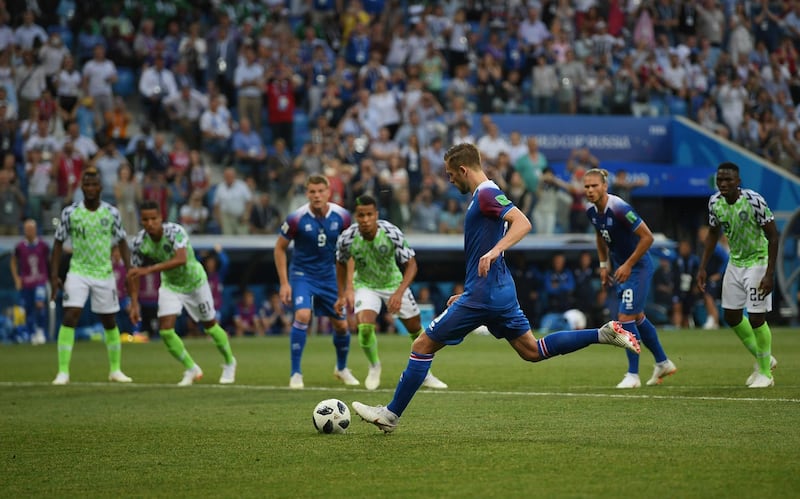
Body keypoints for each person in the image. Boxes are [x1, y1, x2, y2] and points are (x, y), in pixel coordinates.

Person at [352, 143, 640, 433]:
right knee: (532, 350)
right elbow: (484, 243)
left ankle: (390, 415)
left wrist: (494, 252)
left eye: (451, 174)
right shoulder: (485, 194)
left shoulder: (487, 193)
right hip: (496, 291)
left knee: (422, 345)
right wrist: (468, 289)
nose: (450, 180)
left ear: (464, 170)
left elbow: (522, 223)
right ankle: (602, 333)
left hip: (485, 294)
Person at [334, 194, 448, 391]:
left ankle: (425, 374)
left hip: (394, 284)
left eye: (370, 214)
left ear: (376, 214)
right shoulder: (347, 238)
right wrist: (343, 293)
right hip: (365, 285)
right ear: (356, 216)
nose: (366, 219)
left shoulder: (391, 232)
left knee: (415, 328)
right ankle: (374, 366)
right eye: (361, 215)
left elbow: (411, 265)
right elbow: (340, 263)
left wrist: (398, 293)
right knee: (365, 326)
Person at [584, 168, 677, 389]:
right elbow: (600, 236)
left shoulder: (620, 208)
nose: (590, 190)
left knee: (624, 317)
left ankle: (633, 375)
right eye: (586, 186)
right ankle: (663, 362)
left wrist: (628, 264)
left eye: (594, 185)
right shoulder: (592, 212)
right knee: (636, 317)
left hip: (638, 266)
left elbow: (648, 237)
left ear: (605, 186)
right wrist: (604, 265)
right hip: (621, 267)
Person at [127, 200, 237, 386]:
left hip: (195, 283)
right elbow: (133, 274)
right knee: (166, 331)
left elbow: (181, 259)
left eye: (154, 218)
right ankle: (191, 368)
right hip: (171, 285)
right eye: (145, 219)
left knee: (210, 325)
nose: (150, 223)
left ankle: (229, 362)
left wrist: (150, 269)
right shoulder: (139, 242)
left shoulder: (175, 232)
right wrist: (134, 303)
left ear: (161, 217)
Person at [697, 162, 778, 388]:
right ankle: (765, 358)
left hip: (758, 261)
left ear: (738, 182)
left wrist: (769, 273)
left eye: (728, 180)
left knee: (755, 317)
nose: (723, 183)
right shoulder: (715, 202)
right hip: (735, 262)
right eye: (720, 179)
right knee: (731, 316)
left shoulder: (753, 200)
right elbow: (713, 234)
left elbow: (773, 236)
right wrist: (702, 266)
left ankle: (765, 374)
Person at [274, 174, 359, 389]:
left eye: (321, 191)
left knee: (341, 324)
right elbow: (279, 248)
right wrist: (284, 283)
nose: (317, 195)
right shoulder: (296, 218)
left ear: (328, 192)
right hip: (303, 275)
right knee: (303, 314)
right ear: (307, 193)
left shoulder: (342, 216)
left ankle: (341, 368)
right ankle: (295, 373)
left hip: (331, 275)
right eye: (312, 191)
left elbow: (350, 252)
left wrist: (349, 286)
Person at [50, 168, 133, 385]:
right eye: (86, 185)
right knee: (70, 316)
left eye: (94, 184)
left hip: (104, 272)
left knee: (109, 320)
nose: (90, 188)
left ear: (100, 188)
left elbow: (122, 241)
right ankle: (63, 372)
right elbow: (58, 243)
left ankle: (115, 369)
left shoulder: (111, 213)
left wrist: (129, 269)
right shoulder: (70, 212)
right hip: (78, 271)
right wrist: (54, 275)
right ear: (81, 187)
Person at [10, 219, 50, 345]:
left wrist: (50, 277)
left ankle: (40, 331)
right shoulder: (20, 247)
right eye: (27, 229)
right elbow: (13, 261)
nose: (30, 231)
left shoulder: (43, 245)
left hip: (40, 281)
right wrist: (16, 278)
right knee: (24, 309)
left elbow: (50, 261)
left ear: (36, 229)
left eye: (32, 229)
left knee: (39, 304)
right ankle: (27, 333)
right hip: (26, 282)